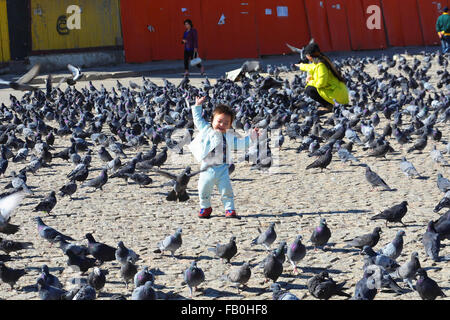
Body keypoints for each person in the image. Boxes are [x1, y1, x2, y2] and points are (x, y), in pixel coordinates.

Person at [188, 96, 260, 219]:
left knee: (226, 190)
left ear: (230, 125)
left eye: (226, 123)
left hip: (222, 169)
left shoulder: (230, 136)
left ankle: (229, 209)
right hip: (206, 168)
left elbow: (240, 144)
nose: (222, 124)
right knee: (203, 190)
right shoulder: (206, 129)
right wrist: (198, 106)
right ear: (212, 120)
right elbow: (198, 120)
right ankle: (205, 207)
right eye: (219, 121)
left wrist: (252, 138)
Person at [296, 41, 349, 115]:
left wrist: (310, 81)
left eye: (306, 55)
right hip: (338, 91)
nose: (306, 57)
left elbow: (321, 84)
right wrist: (301, 66)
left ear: (309, 56)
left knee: (309, 89)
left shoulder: (321, 65)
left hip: (337, 96)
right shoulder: (322, 59)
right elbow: (311, 67)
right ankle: (332, 104)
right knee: (311, 86)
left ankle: (329, 106)